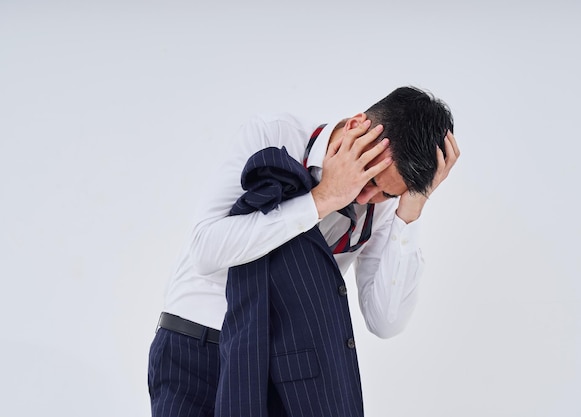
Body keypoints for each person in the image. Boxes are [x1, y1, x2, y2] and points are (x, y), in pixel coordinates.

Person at [148, 86, 460, 417]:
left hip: (287, 372)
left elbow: (386, 321)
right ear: (356, 127)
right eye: (371, 180)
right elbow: (206, 250)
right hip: (198, 349)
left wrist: (411, 208)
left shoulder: (381, 209)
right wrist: (323, 199)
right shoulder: (273, 135)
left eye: (387, 193)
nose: (368, 198)